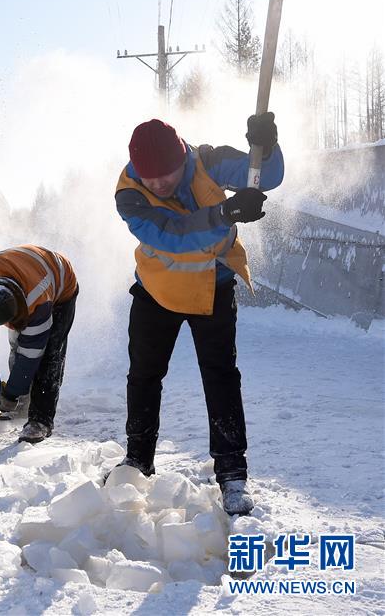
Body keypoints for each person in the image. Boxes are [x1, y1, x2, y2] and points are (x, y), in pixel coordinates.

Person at [113, 113, 284, 515]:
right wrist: (225, 214)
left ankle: (232, 472)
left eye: (167, 175)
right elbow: (172, 233)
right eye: (149, 177)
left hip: (213, 284)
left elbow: (264, 176)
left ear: (183, 158)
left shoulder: (206, 161)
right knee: (143, 375)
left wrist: (267, 146)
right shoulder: (129, 193)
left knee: (221, 375)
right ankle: (138, 461)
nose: (158, 184)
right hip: (157, 289)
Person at [0, 246, 78, 443]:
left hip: (60, 284)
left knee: (49, 355)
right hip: (25, 270)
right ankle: (24, 401)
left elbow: (31, 354)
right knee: (18, 342)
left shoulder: (37, 300)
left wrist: (11, 393)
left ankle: (40, 421)